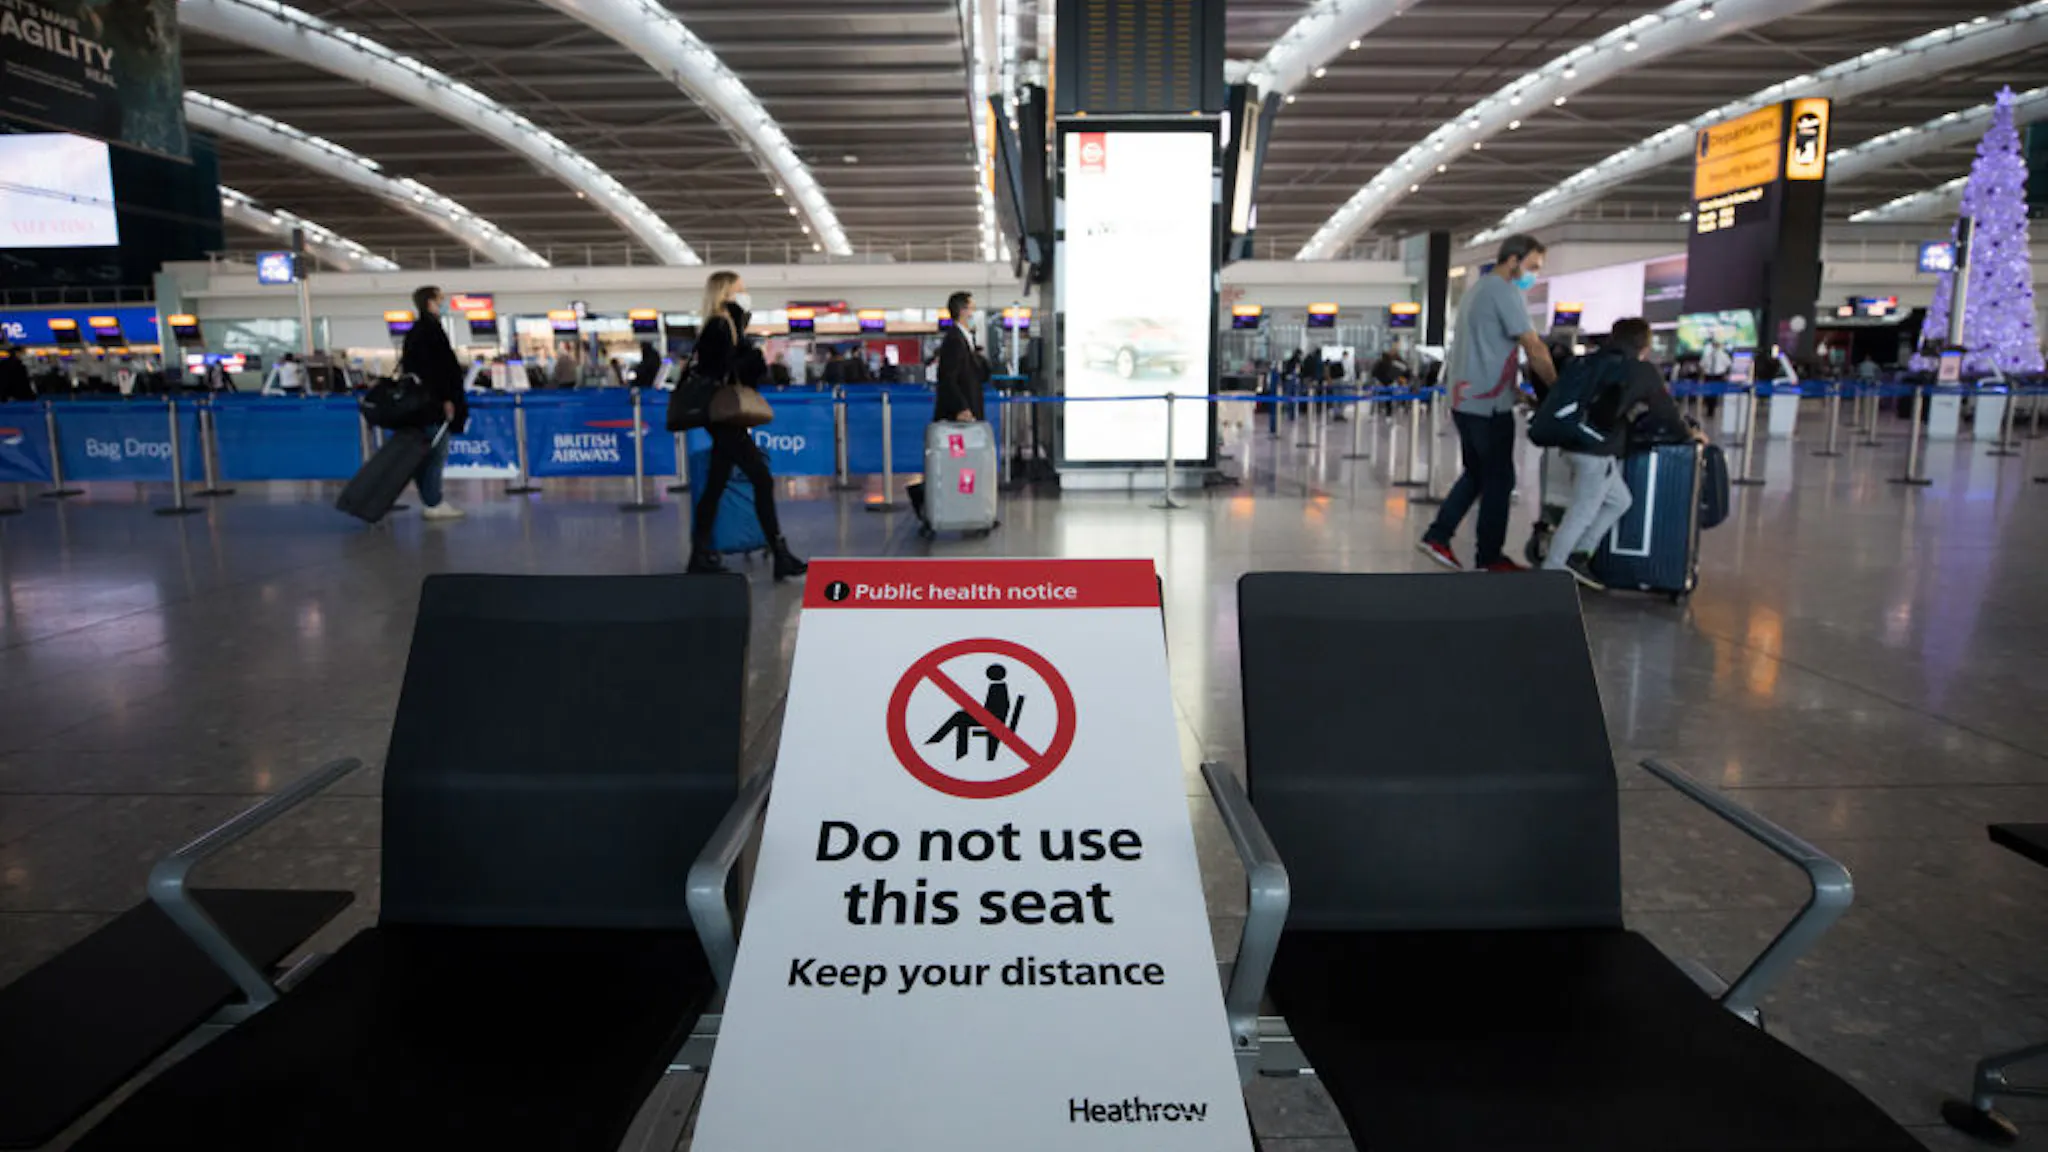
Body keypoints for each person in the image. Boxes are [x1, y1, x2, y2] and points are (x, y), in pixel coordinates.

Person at [1418, 233, 1559, 572]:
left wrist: (1517, 392)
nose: (1534, 275)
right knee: (1499, 480)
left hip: (1469, 400)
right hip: (1487, 405)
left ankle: (1438, 535)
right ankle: (1489, 558)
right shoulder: (1504, 291)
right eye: (1532, 267)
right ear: (1513, 260)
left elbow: (1488, 351)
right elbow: (1534, 347)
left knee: (1478, 473)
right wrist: (1556, 391)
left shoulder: (1478, 290)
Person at [1543, 318, 1687, 590]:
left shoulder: (1588, 362)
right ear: (1643, 343)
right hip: (1598, 451)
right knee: (1582, 512)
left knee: (1620, 501)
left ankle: (1580, 555)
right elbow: (1666, 412)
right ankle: (1552, 570)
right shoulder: (1640, 370)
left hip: (1570, 443)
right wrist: (1689, 434)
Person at [688, 270, 806, 580]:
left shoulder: (728, 325)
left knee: (715, 484)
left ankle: (698, 554)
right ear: (726, 293)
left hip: (724, 414)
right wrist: (752, 355)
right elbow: (723, 371)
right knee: (761, 479)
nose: (745, 293)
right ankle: (779, 552)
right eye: (740, 289)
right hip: (724, 414)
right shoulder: (719, 326)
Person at [399, 285, 468, 521]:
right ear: (430, 302)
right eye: (441, 299)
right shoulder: (430, 331)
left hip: (422, 404)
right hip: (432, 405)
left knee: (427, 453)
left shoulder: (418, 331)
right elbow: (437, 371)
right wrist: (446, 399)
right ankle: (433, 502)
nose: (444, 303)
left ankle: (431, 499)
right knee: (436, 452)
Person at [934, 291, 987, 422]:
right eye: (973, 309)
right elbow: (948, 378)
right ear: (963, 312)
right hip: (960, 415)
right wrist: (961, 408)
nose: (975, 314)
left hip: (970, 409)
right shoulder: (955, 340)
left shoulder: (966, 338)